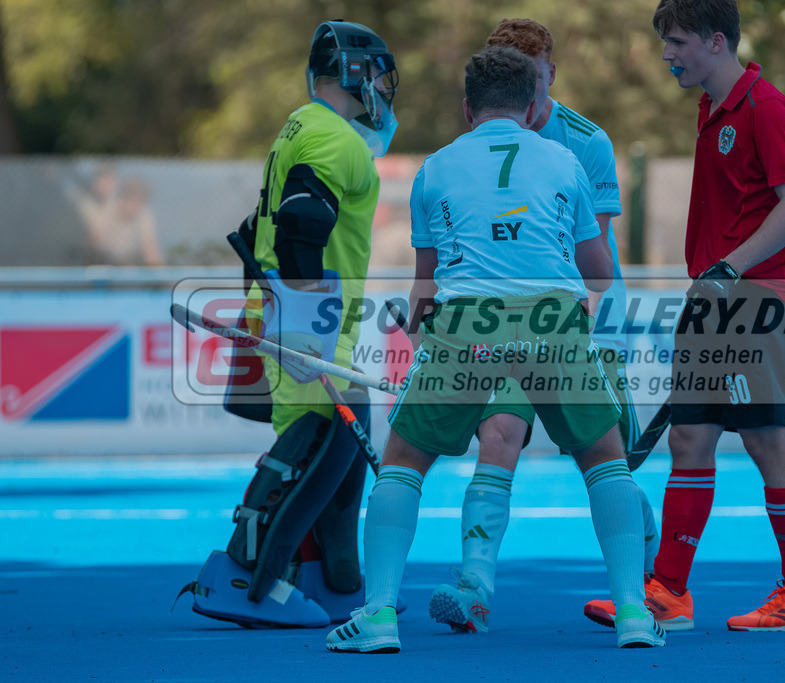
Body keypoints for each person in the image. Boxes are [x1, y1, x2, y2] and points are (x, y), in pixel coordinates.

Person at [325, 44, 665, 653]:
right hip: (553, 322)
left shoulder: (434, 169)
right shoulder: (565, 161)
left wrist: (427, 337)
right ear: (534, 105)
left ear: (466, 108)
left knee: (403, 461)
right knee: (605, 459)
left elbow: (424, 288)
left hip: (467, 324)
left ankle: (378, 615)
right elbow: (599, 272)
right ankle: (635, 614)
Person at [585, 0, 785, 633]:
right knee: (690, 439)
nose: (667, 54)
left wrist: (726, 270)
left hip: (756, 298)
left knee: (764, 440)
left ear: (716, 41)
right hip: (719, 300)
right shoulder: (711, 106)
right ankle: (667, 594)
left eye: (676, 42)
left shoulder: (765, 107)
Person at [425, 18, 661, 635]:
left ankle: (637, 536)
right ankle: (475, 586)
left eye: (532, 77)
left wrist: (587, 326)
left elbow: (598, 254)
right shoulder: (483, 134)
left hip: (582, 320)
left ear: (549, 74)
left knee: (603, 458)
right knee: (499, 435)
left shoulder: (586, 141)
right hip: (500, 321)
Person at [179, 19, 402, 629]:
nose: (384, 89)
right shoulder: (338, 140)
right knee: (312, 447)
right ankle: (243, 575)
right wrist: (306, 325)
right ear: (356, 75)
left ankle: (333, 583)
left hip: (300, 314)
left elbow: (268, 225)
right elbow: (304, 221)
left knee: (342, 452)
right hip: (312, 319)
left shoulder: (302, 124)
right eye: (379, 76)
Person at [74, 165, 164, 266]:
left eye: (141, 202)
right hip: (103, 261)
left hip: (129, 263)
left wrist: (161, 277)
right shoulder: (107, 210)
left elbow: (150, 249)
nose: (136, 208)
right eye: (133, 201)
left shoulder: (144, 215)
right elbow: (94, 241)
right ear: (123, 198)